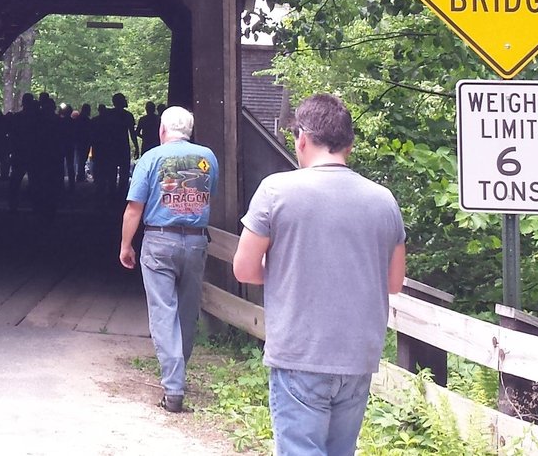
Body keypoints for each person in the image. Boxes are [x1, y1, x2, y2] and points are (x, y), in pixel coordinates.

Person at [232, 94, 406, 456]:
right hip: (358, 357)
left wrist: (287, 272)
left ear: (302, 138)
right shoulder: (384, 200)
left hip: (301, 352)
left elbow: (244, 268)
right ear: (349, 145)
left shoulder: (277, 191)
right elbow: (394, 283)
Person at [118, 105, 218, 414]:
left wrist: (125, 245)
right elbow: (208, 196)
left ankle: (173, 387)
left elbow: (134, 208)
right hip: (196, 241)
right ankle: (179, 374)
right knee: (187, 311)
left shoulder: (151, 158)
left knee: (164, 311)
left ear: (162, 130)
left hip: (160, 239)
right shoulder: (208, 159)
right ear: (190, 130)